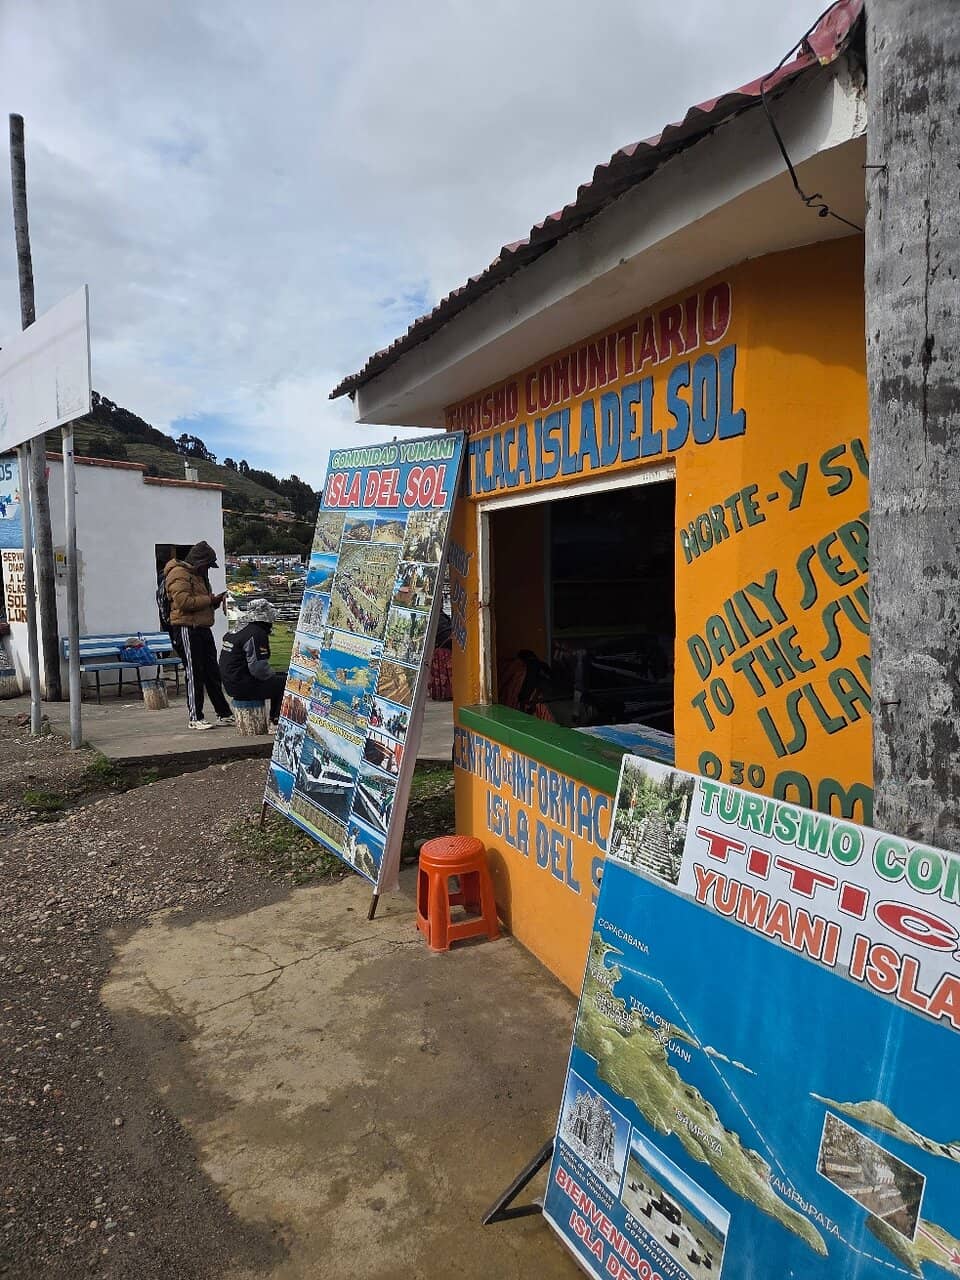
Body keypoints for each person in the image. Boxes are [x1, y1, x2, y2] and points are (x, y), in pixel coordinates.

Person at [163, 540, 234, 730]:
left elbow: (200, 602)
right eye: (207, 565)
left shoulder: (199, 576)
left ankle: (223, 713)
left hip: (202, 626)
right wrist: (210, 599)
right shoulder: (178, 574)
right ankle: (195, 717)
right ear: (199, 562)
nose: (208, 569)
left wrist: (215, 601)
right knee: (194, 672)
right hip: (186, 627)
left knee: (212, 672)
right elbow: (183, 602)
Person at [218, 598, 286, 727]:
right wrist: (273, 675)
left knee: (279, 678)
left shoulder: (239, 627)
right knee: (285, 683)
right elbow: (258, 669)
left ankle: (275, 718)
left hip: (230, 683)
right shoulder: (257, 633)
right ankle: (276, 721)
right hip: (243, 686)